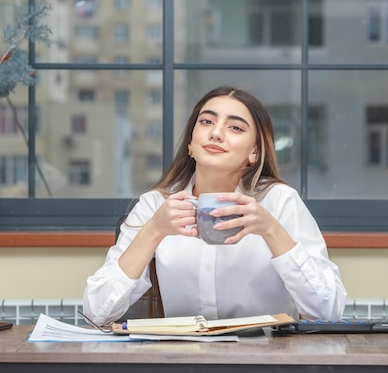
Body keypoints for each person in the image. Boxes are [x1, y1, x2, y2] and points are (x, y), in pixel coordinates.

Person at [83, 86, 346, 325]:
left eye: (235, 128)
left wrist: (270, 229)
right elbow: (96, 313)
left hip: (266, 358)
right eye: (207, 122)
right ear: (191, 144)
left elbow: (328, 312)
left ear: (254, 151)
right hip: (181, 358)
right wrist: (153, 230)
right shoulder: (156, 204)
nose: (216, 133)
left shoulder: (279, 201)